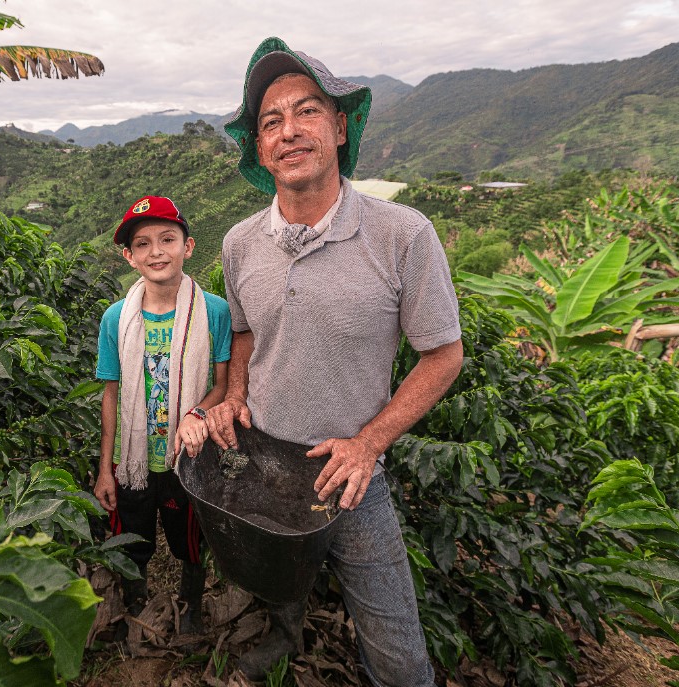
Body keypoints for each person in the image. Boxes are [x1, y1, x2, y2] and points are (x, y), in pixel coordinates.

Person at [206, 38, 464, 686]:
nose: (289, 130)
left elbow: (444, 353)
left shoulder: (402, 235)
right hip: (262, 458)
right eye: (271, 121)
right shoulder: (239, 244)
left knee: (400, 655)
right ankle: (285, 637)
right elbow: (242, 332)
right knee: (277, 579)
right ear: (259, 147)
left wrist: (368, 442)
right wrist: (234, 393)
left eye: (308, 111)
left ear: (340, 125)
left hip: (348, 476)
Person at [93, 195, 232, 636]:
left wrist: (197, 411)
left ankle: (191, 604)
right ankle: (135, 605)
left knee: (189, 540)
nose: (156, 251)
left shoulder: (214, 312)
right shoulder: (116, 319)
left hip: (186, 456)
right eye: (143, 243)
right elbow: (111, 395)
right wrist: (105, 470)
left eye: (167, 239)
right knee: (132, 541)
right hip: (133, 460)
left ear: (188, 247)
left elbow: (224, 383)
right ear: (128, 257)